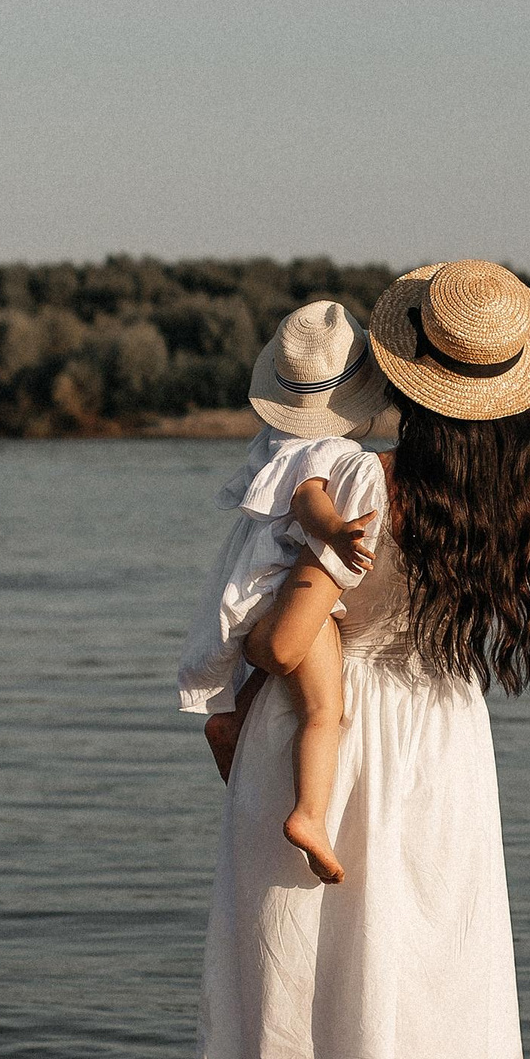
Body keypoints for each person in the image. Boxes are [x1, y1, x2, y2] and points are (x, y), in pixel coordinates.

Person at [192, 260, 530, 1059]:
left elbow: (285, 639)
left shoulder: (360, 481)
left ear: (404, 377)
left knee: (303, 981)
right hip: (437, 750)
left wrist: (248, 643)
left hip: (327, 731)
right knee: (411, 983)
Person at [174, 302, 389, 882]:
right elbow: (306, 498)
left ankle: (231, 722)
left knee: (278, 680)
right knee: (324, 710)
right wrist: (336, 530)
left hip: (258, 585)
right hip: (285, 586)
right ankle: (309, 814)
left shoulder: (274, 442)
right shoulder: (334, 451)